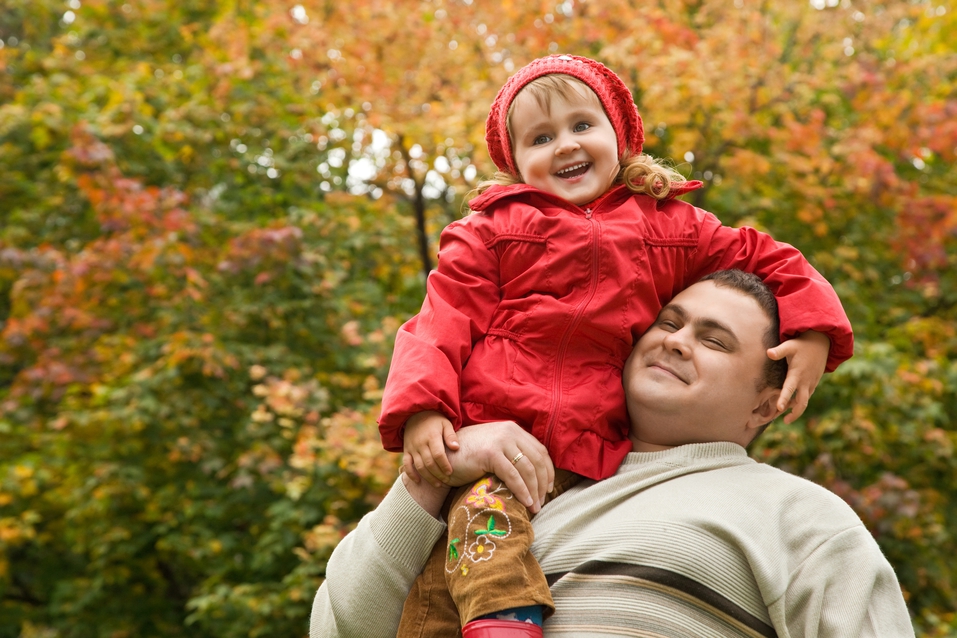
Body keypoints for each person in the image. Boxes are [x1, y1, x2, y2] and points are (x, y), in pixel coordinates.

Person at [377, 55, 856, 636]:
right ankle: (504, 621)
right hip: (497, 428)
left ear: (620, 136)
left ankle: (505, 618)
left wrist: (813, 330)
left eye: (582, 126)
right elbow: (440, 319)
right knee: (459, 557)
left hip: (594, 443)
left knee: (478, 542)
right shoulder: (494, 231)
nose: (564, 145)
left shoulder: (670, 228)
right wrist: (424, 411)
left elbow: (765, 257)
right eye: (540, 137)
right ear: (517, 164)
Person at [310, 271, 915, 638]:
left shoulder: (801, 518)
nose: (676, 341)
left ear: (768, 401)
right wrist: (439, 471)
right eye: (669, 322)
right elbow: (342, 627)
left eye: (712, 340)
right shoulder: (525, 487)